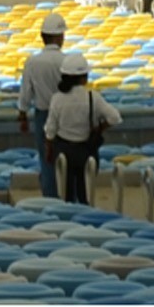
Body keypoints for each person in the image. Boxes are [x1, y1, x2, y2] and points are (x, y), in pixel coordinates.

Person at [42, 49, 117, 203]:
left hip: (63, 149)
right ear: (84, 78)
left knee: (66, 195)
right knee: (85, 194)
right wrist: (100, 128)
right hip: (86, 150)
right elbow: (114, 117)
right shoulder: (92, 97)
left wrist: (49, 148)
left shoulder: (57, 99)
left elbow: (50, 129)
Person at [19, 11, 70, 198]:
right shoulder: (67, 61)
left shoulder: (33, 62)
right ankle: (68, 196)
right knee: (67, 156)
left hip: (43, 115)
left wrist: (23, 114)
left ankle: (50, 197)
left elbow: (26, 91)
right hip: (65, 116)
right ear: (58, 36)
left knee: (47, 159)